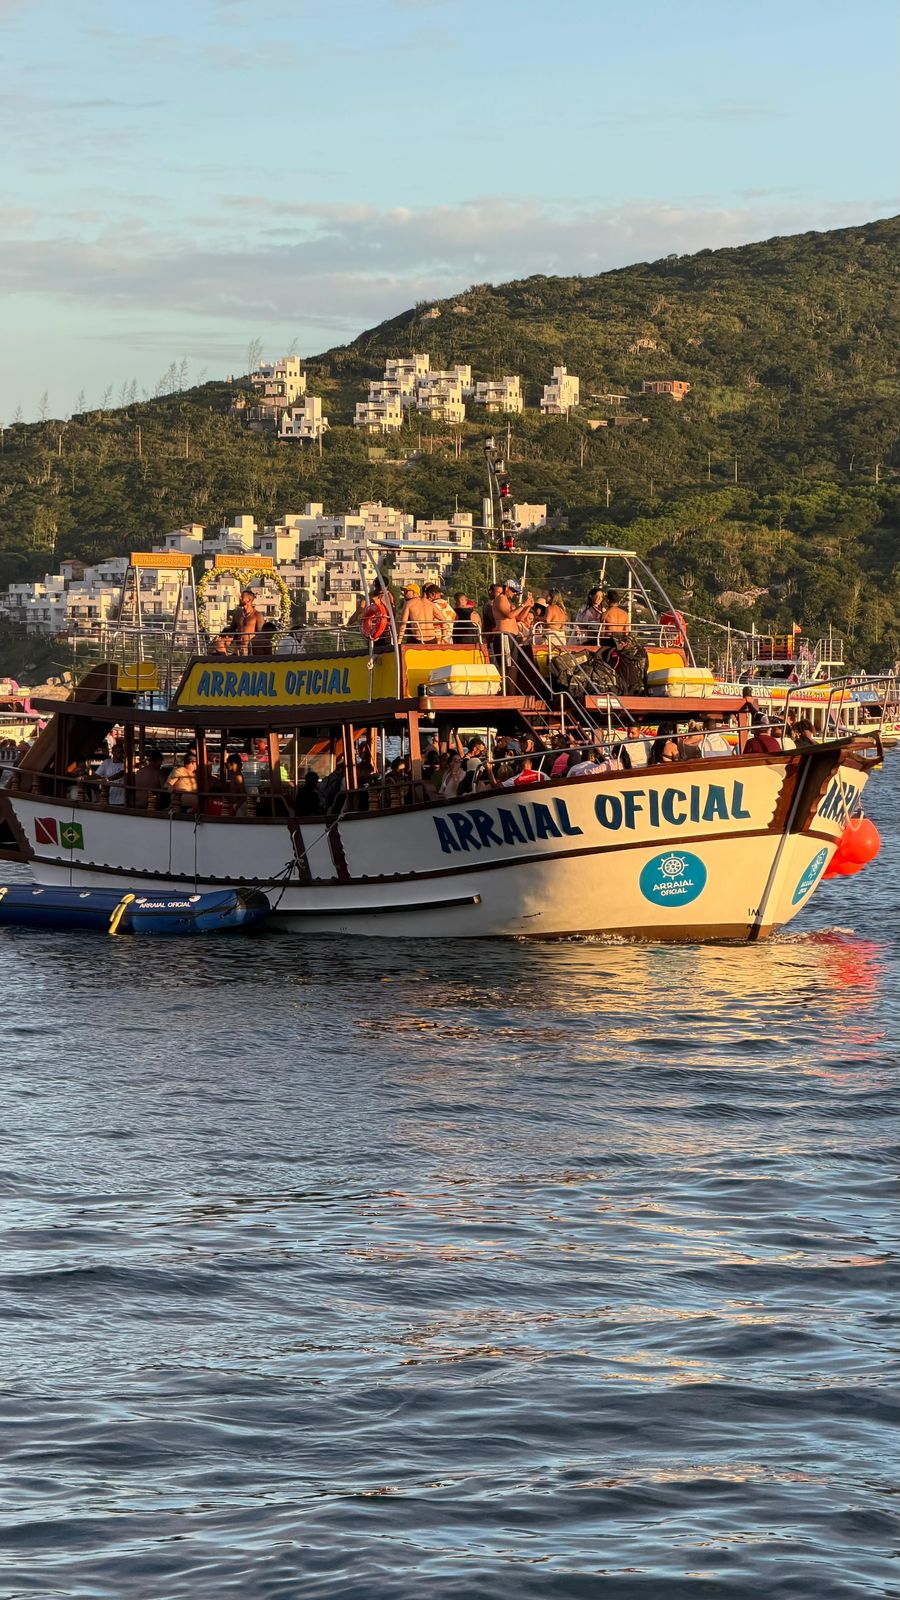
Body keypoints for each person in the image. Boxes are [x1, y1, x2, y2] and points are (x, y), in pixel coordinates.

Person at [228, 589, 265, 656]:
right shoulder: (237, 613)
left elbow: (261, 633)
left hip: (250, 647)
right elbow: (231, 629)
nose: (240, 598)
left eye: (242, 597)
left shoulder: (257, 615)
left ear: (249, 600)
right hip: (238, 646)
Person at [96, 738, 126, 806]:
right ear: (113, 752)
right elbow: (97, 775)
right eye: (118, 752)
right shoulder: (107, 762)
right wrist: (85, 777)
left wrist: (107, 779)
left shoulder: (125, 765)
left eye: (122, 752)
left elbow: (120, 774)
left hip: (121, 799)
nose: (121, 754)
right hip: (109, 797)